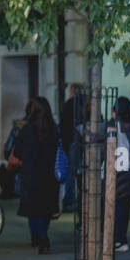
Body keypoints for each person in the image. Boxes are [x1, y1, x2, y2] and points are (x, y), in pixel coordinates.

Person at [11, 96, 59, 255]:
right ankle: (41, 236)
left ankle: (39, 237)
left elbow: (17, 152)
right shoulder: (53, 129)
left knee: (33, 209)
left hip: (31, 173)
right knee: (46, 208)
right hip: (50, 174)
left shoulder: (27, 129)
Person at [112, 97, 130, 253]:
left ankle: (120, 240)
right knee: (124, 206)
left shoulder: (116, 127)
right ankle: (121, 238)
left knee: (117, 207)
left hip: (119, 170)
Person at [59, 84, 85, 212]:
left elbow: (64, 125)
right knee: (76, 171)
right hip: (76, 141)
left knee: (71, 171)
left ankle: (69, 200)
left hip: (71, 142)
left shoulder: (70, 105)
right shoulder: (81, 105)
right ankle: (73, 199)